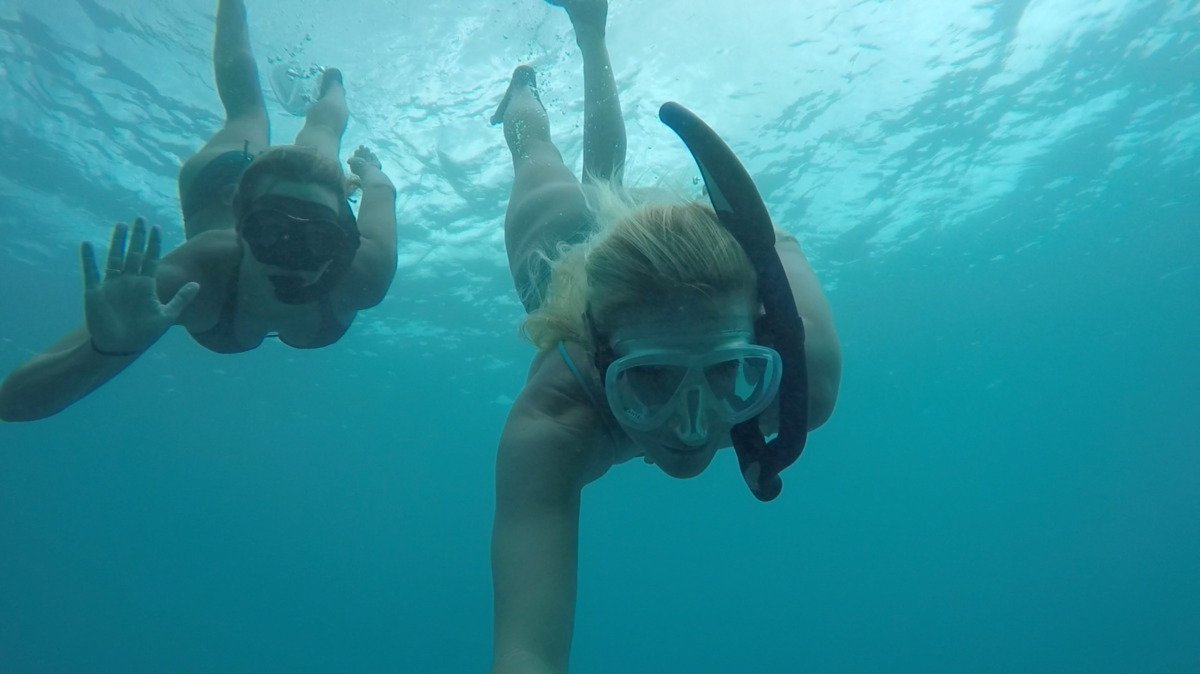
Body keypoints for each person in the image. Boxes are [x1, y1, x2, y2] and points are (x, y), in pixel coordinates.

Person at [488, 1, 843, 673]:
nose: (691, 424)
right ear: (600, 359)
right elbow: (524, 651)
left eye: (728, 373)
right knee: (545, 162)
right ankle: (522, 96)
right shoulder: (555, 422)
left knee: (608, 177)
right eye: (649, 379)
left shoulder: (805, 374)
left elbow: (780, 245)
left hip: (708, 263)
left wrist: (739, 248)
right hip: (557, 243)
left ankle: (591, 27)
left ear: (762, 346)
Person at [0, 0, 397, 422]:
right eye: (271, 231)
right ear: (242, 226)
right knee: (247, 111)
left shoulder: (364, 271)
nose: (293, 256)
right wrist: (103, 350)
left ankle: (333, 81)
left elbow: (381, 190)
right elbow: (12, 404)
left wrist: (369, 171)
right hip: (220, 182)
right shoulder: (195, 276)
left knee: (322, 134)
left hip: (260, 192)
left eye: (319, 239)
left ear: (343, 236)